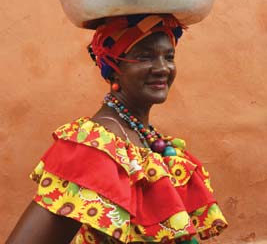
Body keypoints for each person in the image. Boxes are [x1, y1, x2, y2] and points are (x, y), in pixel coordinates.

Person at [6, 14, 227, 244]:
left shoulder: (146, 139)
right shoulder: (94, 148)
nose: (163, 68)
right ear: (113, 68)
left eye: (169, 57)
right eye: (145, 57)